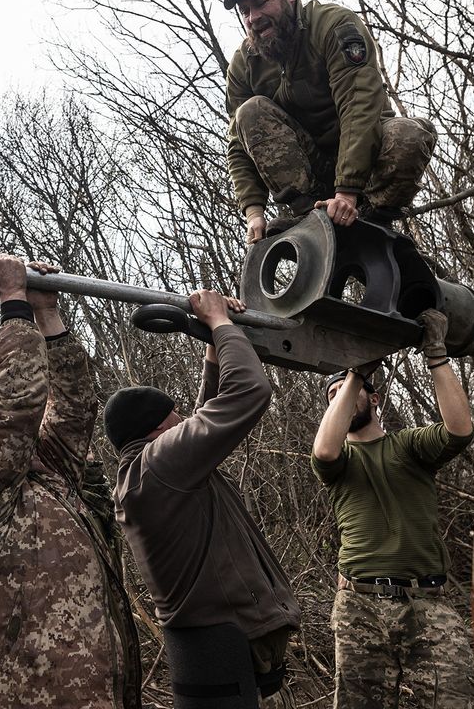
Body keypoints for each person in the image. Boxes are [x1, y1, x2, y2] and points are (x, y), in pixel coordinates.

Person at [0, 255, 142, 708]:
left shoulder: (51, 482)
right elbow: (19, 406)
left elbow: (74, 408)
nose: (31, 440)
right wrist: (12, 302)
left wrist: (47, 311)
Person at [106, 290, 301, 708]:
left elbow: (202, 418)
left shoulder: (146, 471)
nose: (186, 422)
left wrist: (214, 351)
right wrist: (220, 323)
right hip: (224, 649)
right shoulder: (160, 466)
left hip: (217, 650)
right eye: (177, 418)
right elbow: (249, 389)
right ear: (158, 432)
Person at [311, 309, 474, 708]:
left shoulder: (408, 447)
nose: (343, 400)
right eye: (333, 397)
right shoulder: (336, 463)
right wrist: (352, 375)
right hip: (359, 603)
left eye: (352, 393)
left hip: (427, 601)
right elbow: (324, 447)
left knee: (456, 699)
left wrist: (436, 352)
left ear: (375, 399)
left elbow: (460, 429)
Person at [223, 0, 438, 241]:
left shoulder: (334, 26)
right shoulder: (244, 65)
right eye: (245, 11)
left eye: (262, 3)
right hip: (313, 173)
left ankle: (374, 219)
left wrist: (347, 194)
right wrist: (254, 213)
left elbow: (359, 105)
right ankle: (309, 217)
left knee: (410, 134)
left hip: (367, 164)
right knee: (249, 113)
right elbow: (239, 145)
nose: (253, 18)